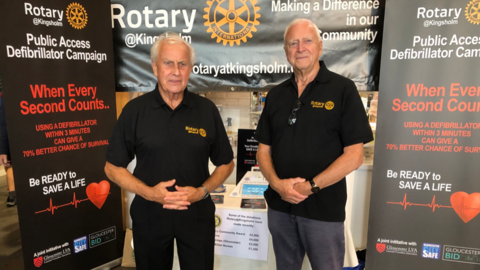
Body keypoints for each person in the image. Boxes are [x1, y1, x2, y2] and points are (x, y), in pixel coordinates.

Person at [104, 32, 234, 270]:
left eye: (182, 64)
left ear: (190, 68)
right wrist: (149, 192)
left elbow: (226, 163)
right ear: (155, 68)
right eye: (168, 63)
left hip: (196, 215)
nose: (176, 71)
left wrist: (202, 191)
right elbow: (112, 167)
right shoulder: (135, 111)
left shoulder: (206, 110)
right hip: (150, 214)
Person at [255, 19, 373, 270]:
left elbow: (354, 156)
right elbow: (263, 150)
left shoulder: (343, 89)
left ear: (320, 47)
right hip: (281, 207)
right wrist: (277, 185)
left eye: (307, 41)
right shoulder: (276, 95)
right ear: (286, 52)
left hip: (323, 211)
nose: (300, 48)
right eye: (293, 43)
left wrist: (309, 188)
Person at [0, 93, 15, 207]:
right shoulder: (5, 96)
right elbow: (3, 124)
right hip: (12, 139)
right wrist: (3, 150)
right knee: (9, 165)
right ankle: (12, 193)